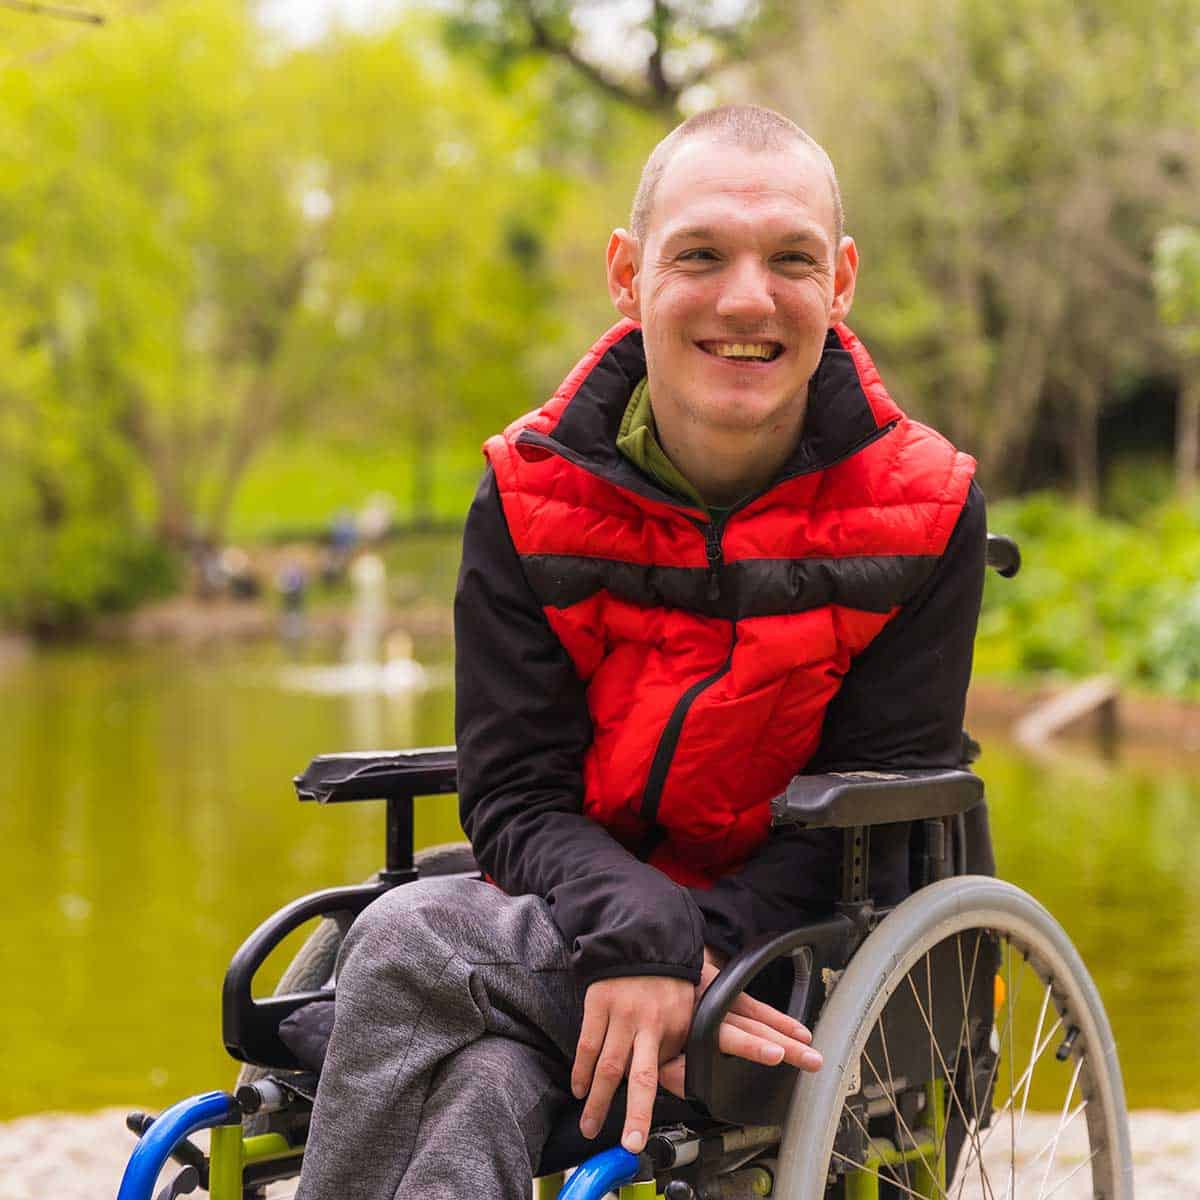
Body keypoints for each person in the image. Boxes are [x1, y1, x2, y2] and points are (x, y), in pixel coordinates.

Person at [295, 104, 986, 1200]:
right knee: (462, 1066)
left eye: (791, 260)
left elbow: (881, 814)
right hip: (589, 921)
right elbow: (516, 792)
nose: (747, 298)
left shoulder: (925, 508)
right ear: (628, 273)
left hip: (813, 950)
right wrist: (638, 936)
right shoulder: (530, 493)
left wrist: (685, 960)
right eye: (700, 253)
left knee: (405, 946)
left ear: (841, 279)